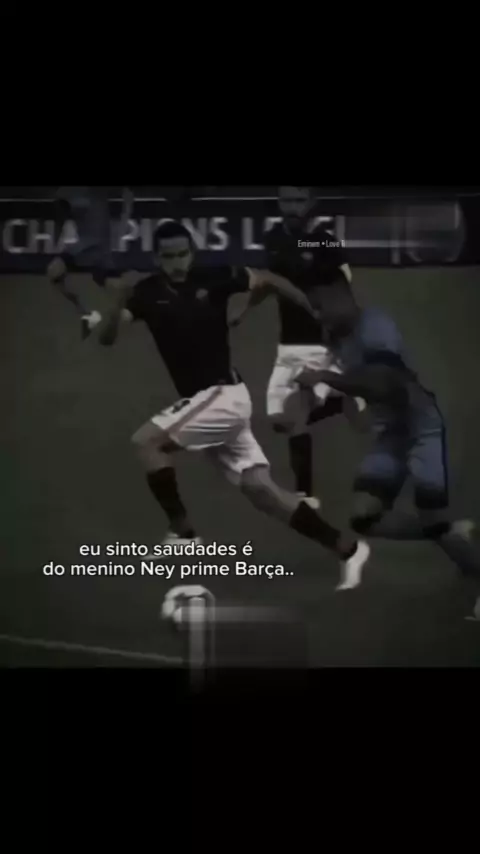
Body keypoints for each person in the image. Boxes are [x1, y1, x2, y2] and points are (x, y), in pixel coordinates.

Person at [97, 220, 371, 589]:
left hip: (224, 396)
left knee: (146, 442)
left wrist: (310, 310)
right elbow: (107, 338)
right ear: (157, 258)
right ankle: (348, 548)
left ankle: (182, 532)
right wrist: (117, 300)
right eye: (168, 256)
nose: (177, 263)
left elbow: (267, 279)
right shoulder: (145, 293)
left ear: (192, 252)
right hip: (207, 402)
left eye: (182, 254)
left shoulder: (216, 276)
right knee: (263, 492)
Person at [297, 301, 480, 617]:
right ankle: (454, 534)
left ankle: (468, 562)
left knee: (430, 514)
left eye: (320, 307)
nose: (318, 316)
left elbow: (384, 382)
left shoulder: (374, 327)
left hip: (422, 426)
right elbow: (355, 407)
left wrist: (325, 378)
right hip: (391, 435)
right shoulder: (334, 342)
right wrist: (333, 405)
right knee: (364, 517)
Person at [230, 185, 365, 510]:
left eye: (299, 201)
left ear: (312, 202)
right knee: (278, 420)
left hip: (320, 345)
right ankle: (337, 399)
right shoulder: (275, 239)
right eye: (286, 200)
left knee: (295, 416)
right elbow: (270, 283)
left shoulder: (320, 241)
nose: (292, 207)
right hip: (288, 345)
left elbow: (344, 291)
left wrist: (340, 330)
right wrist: (245, 310)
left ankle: (305, 494)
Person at [47, 186, 134, 338]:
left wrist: (127, 204)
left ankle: (112, 322)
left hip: (100, 254)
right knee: (53, 271)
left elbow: (126, 198)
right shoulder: (70, 194)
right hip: (81, 249)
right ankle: (83, 310)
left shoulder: (101, 194)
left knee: (123, 288)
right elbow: (59, 199)